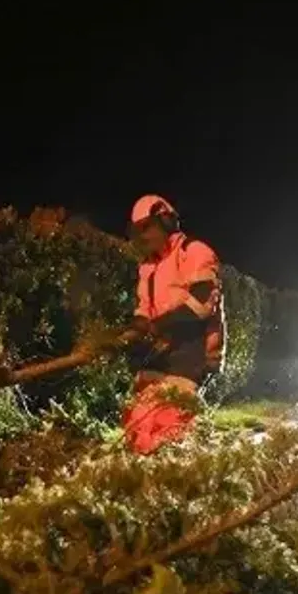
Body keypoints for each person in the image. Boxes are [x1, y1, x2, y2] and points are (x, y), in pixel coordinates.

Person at [120, 194, 225, 453]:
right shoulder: (148, 266)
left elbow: (200, 304)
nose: (142, 237)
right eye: (138, 231)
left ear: (165, 222)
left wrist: (157, 326)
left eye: (147, 228)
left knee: (168, 428)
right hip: (159, 354)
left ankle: (171, 478)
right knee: (138, 423)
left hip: (191, 352)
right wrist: (134, 331)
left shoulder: (194, 252)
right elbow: (144, 308)